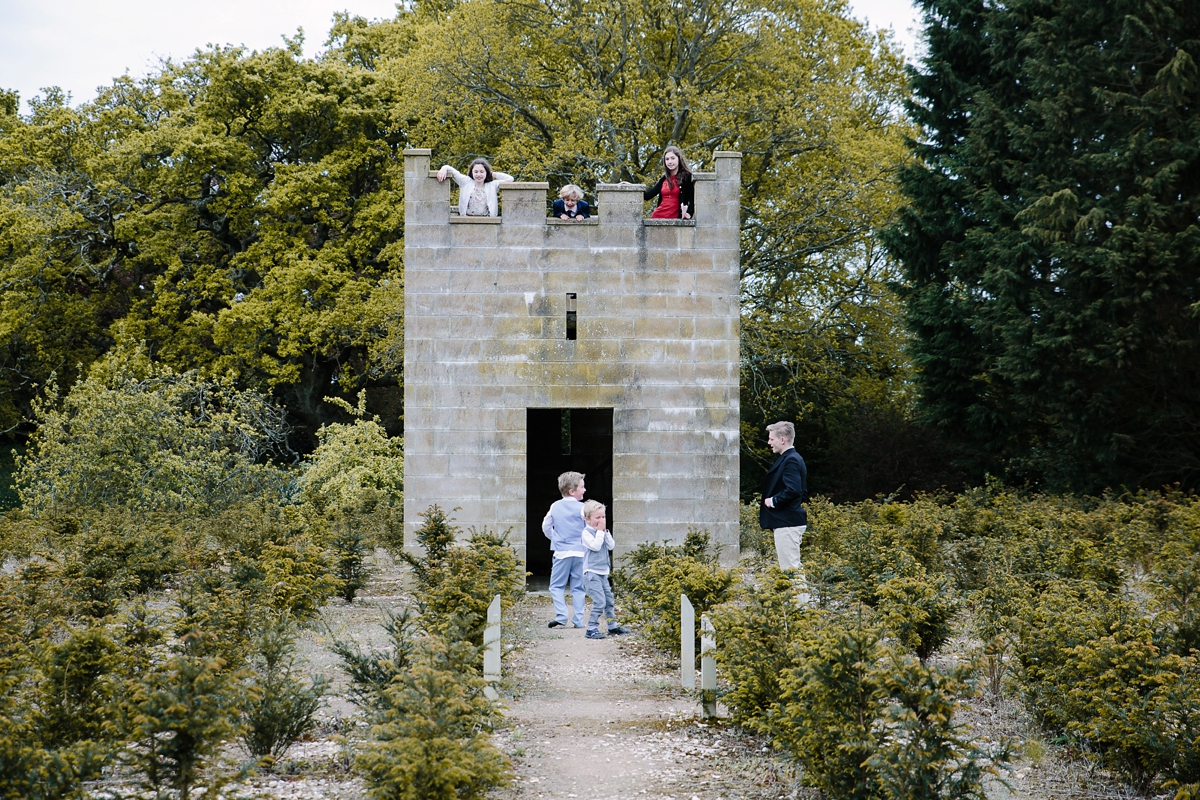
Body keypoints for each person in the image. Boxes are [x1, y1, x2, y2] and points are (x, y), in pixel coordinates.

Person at [759, 421, 808, 575]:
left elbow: (794, 490)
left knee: (790, 570)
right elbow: (802, 491)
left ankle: (800, 600)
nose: (769, 443)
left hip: (787, 523)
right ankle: (800, 599)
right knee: (791, 568)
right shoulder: (792, 458)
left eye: (771, 439)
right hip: (788, 521)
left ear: (782, 440)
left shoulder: (791, 460)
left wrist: (773, 501)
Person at [541, 471, 588, 629]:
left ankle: (561, 615)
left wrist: (555, 538)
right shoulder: (583, 508)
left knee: (556, 586)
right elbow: (589, 528)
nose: (585, 489)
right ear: (572, 491)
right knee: (578, 587)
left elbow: (546, 526)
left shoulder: (555, 506)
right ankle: (579, 620)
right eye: (582, 487)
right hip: (580, 552)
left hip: (561, 553)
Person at [580, 499, 629, 639]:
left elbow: (611, 546)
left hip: (603, 573)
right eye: (597, 518)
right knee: (599, 601)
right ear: (587, 519)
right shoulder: (586, 533)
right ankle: (591, 628)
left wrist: (605, 532)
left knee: (609, 600)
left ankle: (612, 626)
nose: (601, 520)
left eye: (603, 517)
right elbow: (595, 546)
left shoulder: (602, 532)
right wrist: (600, 532)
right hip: (591, 573)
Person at [437, 157, 514, 217]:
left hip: (487, 223)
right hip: (468, 220)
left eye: (482, 171)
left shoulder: (492, 185)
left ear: (486, 172)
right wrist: (444, 168)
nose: (479, 174)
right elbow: (453, 171)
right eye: (476, 172)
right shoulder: (466, 182)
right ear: (472, 172)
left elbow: (510, 179)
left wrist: (492, 174)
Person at [644, 145, 694, 220]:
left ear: (679, 159)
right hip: (658, 217)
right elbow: (648, 195)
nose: (670, 162)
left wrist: (689, 213)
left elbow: (693, 199)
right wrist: (633, 187)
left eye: (672, 158)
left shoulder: (687, 177)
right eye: (667, 159)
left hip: (675, 220)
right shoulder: (664, 179)